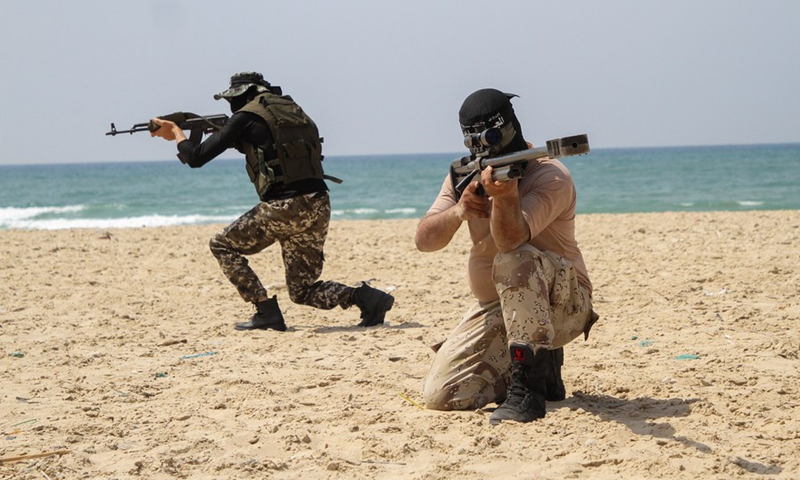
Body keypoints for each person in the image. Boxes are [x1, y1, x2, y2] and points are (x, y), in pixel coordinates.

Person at [150, 71, 394, 332]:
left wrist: (176, 132)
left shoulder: (245, 117)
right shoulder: (290, 111)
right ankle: (367, 299)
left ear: (240, 96)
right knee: (302, 291)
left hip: (285, 207)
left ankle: (265, 310)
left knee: (221, 245)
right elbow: (267, 146)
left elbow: (196, 157)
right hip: (318, 202)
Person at [415, 88, 599, 424]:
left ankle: (528, 391)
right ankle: (541, 369)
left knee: (513, 259)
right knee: (442, 395)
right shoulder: (464, 176)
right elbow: (425, 240)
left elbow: (510, 241)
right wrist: (460, 211)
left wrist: (505, 197)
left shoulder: (550, 176)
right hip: (500, 308)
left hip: (564, 304)